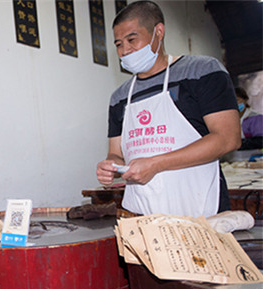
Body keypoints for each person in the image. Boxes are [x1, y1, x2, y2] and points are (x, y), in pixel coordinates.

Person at [96, 1, 240, 217]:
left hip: (201, 209)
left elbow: (228, 138)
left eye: (132, 40)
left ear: (158, 32)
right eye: (118, 44)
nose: (125, 50)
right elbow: (116, 153)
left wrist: (156, 164)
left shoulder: (201, 71)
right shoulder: (119, 97)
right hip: (142, 215)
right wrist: (111, 168)